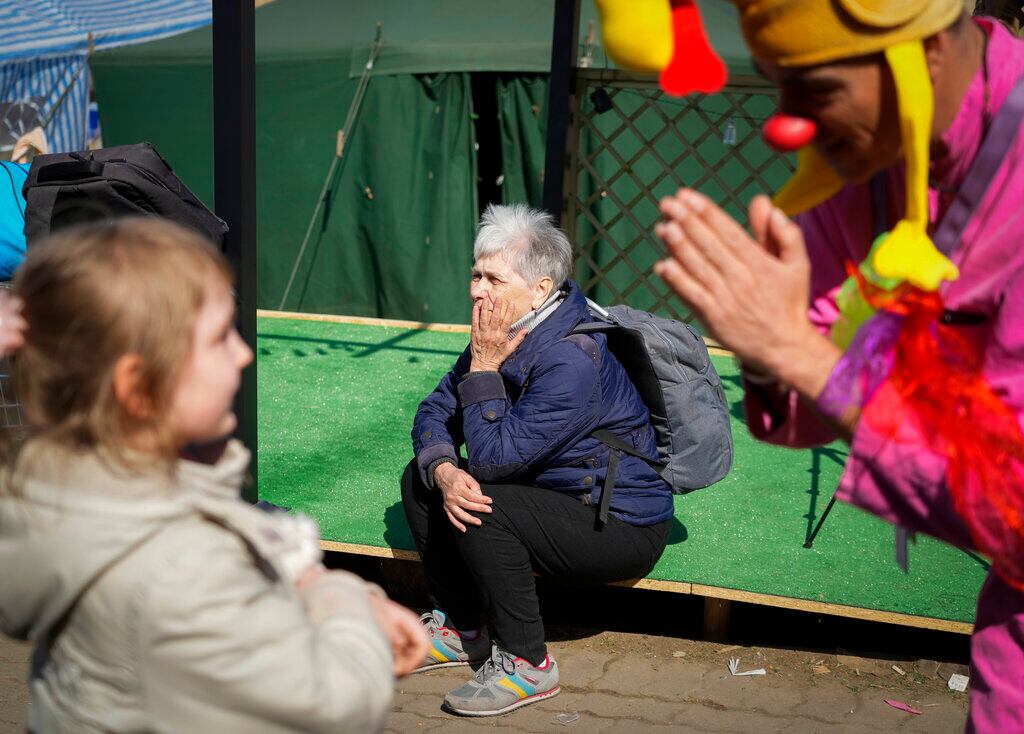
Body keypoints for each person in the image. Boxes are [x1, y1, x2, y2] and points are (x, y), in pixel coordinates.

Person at [653, 4, 1023, 731]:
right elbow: (805, 405)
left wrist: (801, 353)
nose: (785, 126)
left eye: (814, 89)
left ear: (927, 56)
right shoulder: (869, 167)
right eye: (773, 86)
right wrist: (766, 346)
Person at [0, 218, 428, 733]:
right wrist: (344, 600)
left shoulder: (67, 491)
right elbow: (340, 706)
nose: (245, 352)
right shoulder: (181, 566)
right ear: (139, 387)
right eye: (220, 336)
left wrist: (311, 581)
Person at [401, 203, 673, 717]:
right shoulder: (504, 326)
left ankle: (528, 662)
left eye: (493, 279)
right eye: (476, 274)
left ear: (541, 289)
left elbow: (493, 461)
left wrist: (483, 368)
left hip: (616, 522)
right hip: (550, 492)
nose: (477, 291)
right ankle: (463, 628)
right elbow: (436, 409)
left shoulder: (570, 359)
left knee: (486, 501)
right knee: (421, 481)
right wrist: (441, 467)